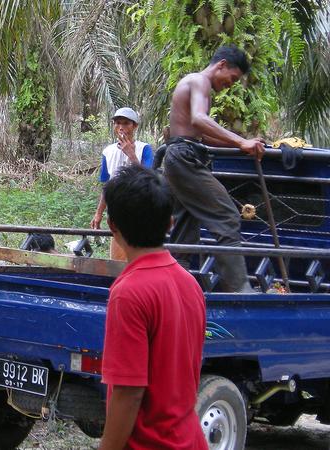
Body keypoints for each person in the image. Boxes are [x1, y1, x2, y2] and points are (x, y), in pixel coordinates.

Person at [99, 164, 207, 450]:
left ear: (113, 227)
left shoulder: (128, 293)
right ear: (170, 223)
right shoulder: (190, 284)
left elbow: (128, 392)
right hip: (189, 440)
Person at [164, 45, 264, 292]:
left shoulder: (193, 83)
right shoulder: (200, 81)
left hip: (181, 156)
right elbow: (199, 119)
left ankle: (176, 288)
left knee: (185, 229)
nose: (231, 85)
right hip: (184, 158)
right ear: (221, 65)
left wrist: (241, 145)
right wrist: (241, 141)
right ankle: (240, 291)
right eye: (232, 78)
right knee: (227, 216)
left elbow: (201, 136)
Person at [90, 107, 154, 261]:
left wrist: (131, 154)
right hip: (117, 212)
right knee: (118, 261)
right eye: (118, 123)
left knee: (140, 258)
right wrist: (99, 213)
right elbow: (107, 185)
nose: (121, 127)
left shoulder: (144, 149)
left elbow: (147, 178)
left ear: (135, 126)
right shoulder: (108, 152)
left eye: (126, 123)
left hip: (140, 211)